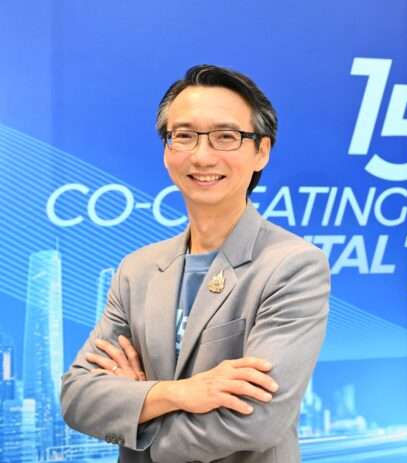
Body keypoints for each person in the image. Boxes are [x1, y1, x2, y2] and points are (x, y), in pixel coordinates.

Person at [61, 64, 330, 463]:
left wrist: (137, 413)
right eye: (184, 136)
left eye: (226, 137)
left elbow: (257, 421)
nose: (202, 156)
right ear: (167, 151)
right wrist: (180, 392)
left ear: (261, 151)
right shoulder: (137, 270)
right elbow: (78, 397)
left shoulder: (292, 265)